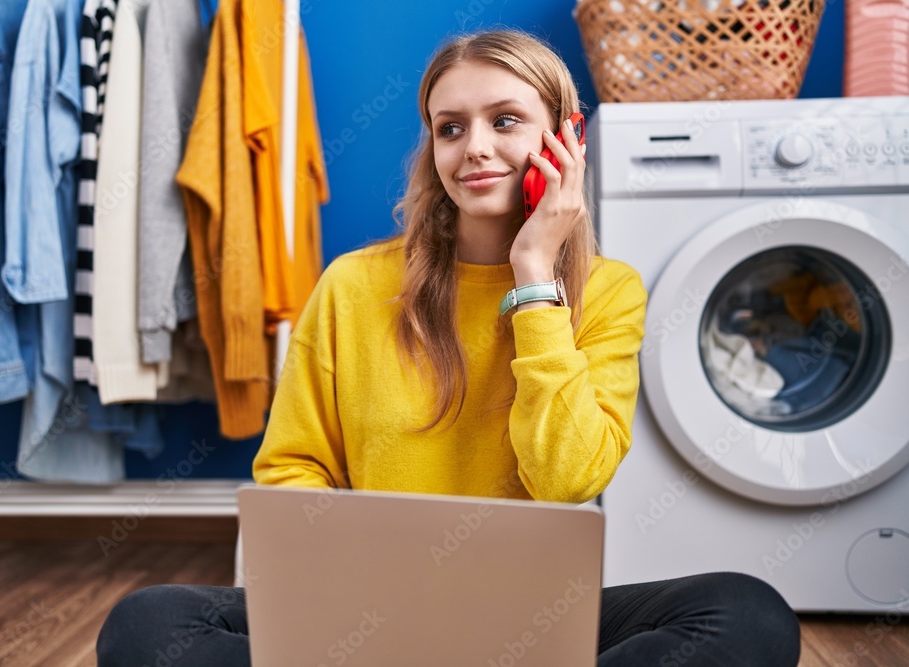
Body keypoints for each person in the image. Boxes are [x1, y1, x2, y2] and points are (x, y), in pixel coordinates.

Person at [97, 29, 801, 666]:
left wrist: (534, 279)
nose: (476, 149)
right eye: (450, 128)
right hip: (365, 618)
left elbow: (568, 478)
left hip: (530, 618)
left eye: (505, 121)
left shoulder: (610, 292)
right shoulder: (351, 284)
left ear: (566, 139)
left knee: (747, 613)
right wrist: (341, 598)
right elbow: (293, 470)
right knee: (147, 623)